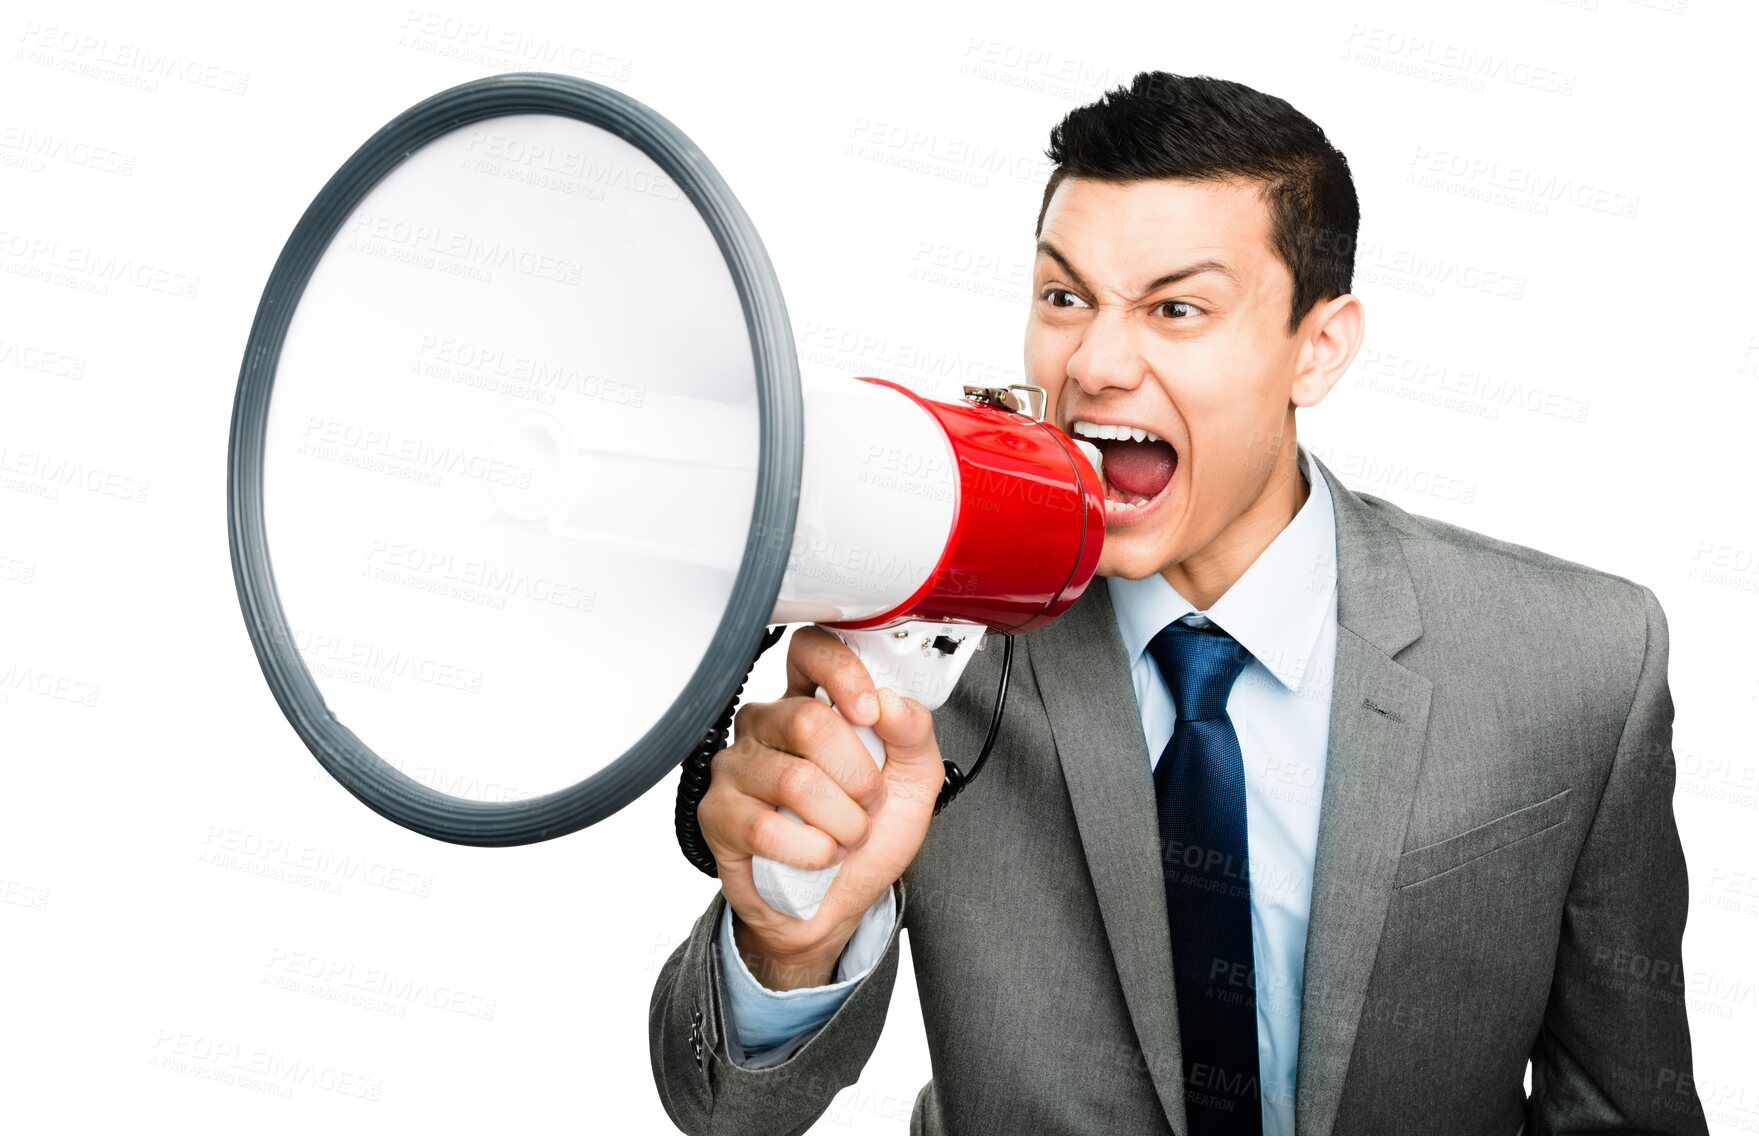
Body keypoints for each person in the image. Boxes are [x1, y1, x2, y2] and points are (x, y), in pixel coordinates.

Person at [648, 71, 1707, 1136]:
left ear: (1318, 347)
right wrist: (791, 937)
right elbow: (725, 1105)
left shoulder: (1580, 661)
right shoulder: (934, 638)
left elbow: (1626, 1107)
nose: (1096, 364)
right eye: (1064, 298)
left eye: (1176, 307)